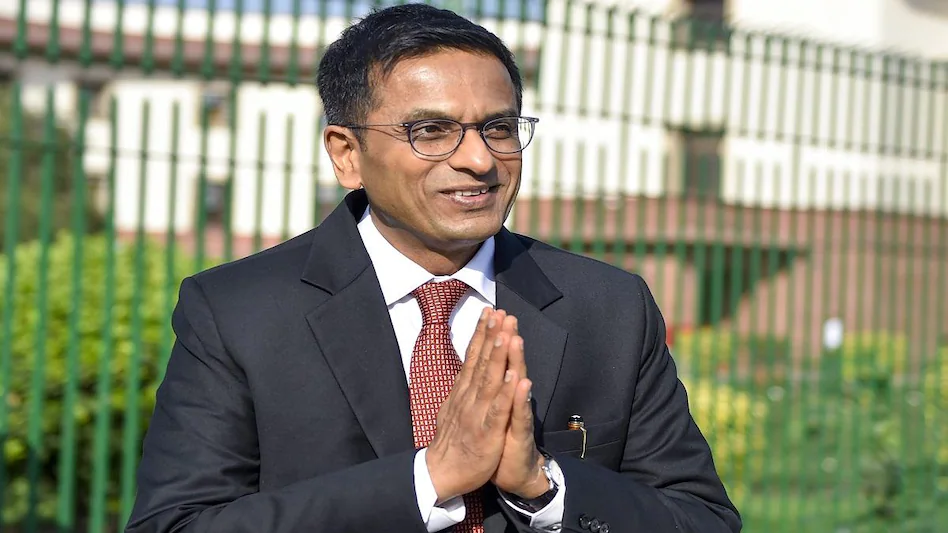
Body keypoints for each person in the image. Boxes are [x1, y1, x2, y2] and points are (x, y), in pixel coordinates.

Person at [125, 4, 741, 533]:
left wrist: (546, 487)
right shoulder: (240, 312)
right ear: (347, 154)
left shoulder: (607, 307)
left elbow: (702, 519)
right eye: (431, 130)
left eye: (498, 128)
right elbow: (177, 523)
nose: (480, 160)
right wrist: (431, 478)